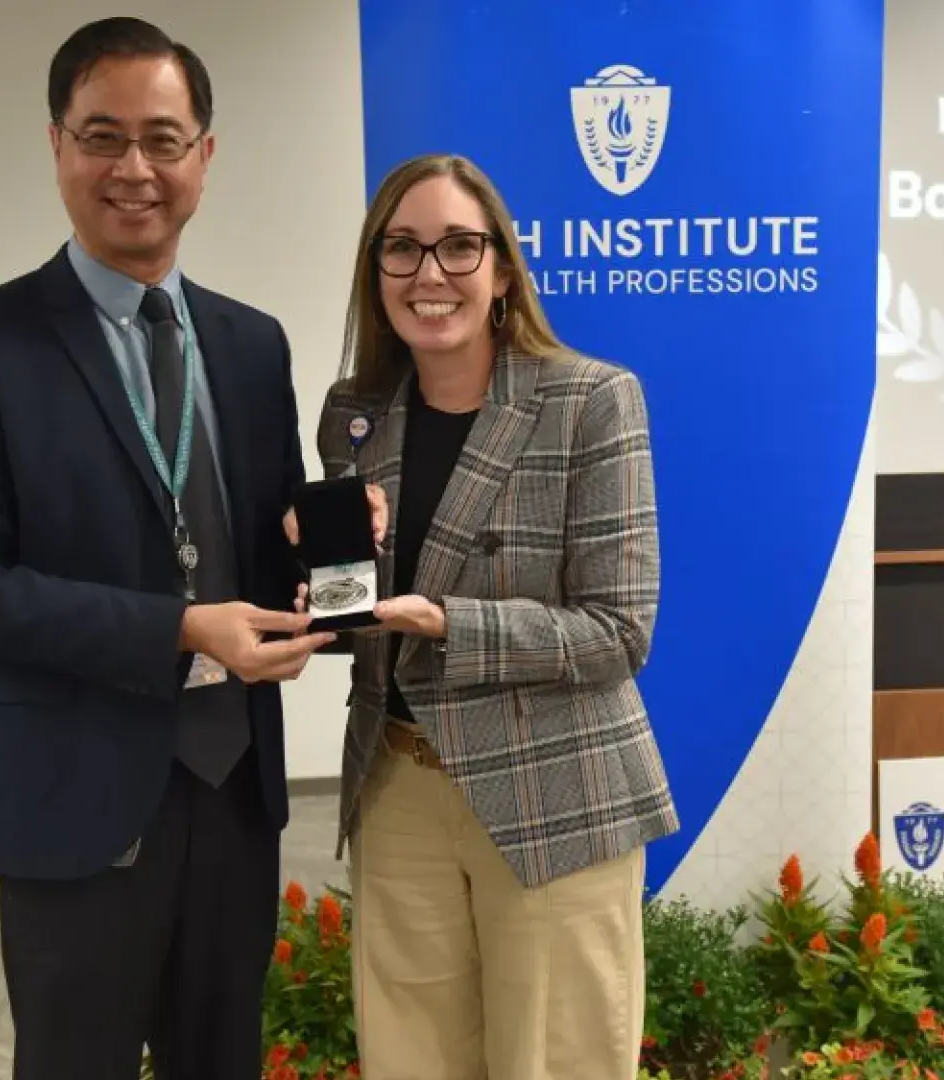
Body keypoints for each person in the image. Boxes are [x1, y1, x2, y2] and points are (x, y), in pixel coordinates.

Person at [0, 18, 367, 1079]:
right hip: (73, 793)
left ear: (205, 154)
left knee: (221, 1060)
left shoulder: (251, 344)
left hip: (231, 787)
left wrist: (327, 558)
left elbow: (249, 554)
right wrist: (176, 629)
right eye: (102, 136)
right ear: (58, 144)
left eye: (163, 138)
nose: (134, 168)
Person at [313, 152, 681, 1080]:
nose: (428, 273)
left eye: (457, 247)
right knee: (410, 1061)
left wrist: (448, 624)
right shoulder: (353, 414)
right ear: (375, 270)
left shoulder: (591, 400)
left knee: (555, 1063)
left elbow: (618, 631)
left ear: (504, 270)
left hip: (552, 792)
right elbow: (353, 604)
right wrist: (306, 572)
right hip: (397, 787)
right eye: (401, 248)